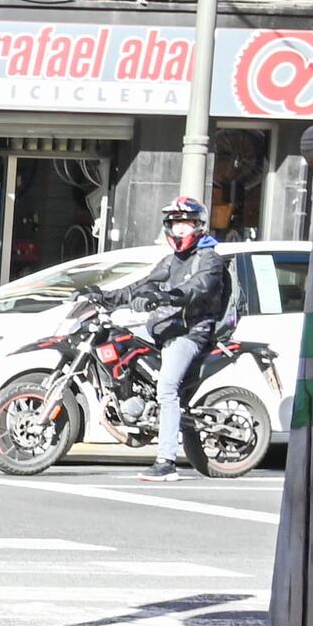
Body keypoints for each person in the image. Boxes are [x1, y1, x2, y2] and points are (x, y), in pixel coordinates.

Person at [119, 197, 238, 477]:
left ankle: (166, 461)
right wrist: (104, 296)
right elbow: (140, 285)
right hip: (165, 327)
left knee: (167, 388)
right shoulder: (172, 260)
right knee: (118, 338)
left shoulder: (209, 259)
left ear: (197, 225)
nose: (178, 229)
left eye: (184, 223)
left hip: (190, 333)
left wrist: (163, 296)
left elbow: (197, 288)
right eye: (174, 224)